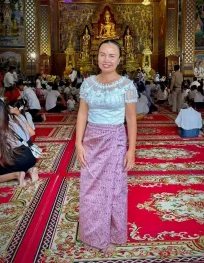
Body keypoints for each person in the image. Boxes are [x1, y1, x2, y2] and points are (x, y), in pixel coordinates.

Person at [76, 39, 137, 255]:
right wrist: (78, 143)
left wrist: (131, 150)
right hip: (91, 140)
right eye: (103, 54)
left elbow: (131, 119)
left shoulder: (127, 86)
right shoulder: (88, 83)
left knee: (113, 189)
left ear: (119, 59)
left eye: (112, 55)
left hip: (115, 140)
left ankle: (111, 234)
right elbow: (82, 113)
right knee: (90, 189)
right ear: (97, 57)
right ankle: (93, 233)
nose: (106, 59)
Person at [0, 98, 38, 187]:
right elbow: (32, 133)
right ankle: (31, 170)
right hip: (31, 156)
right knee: (22, 163)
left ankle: (17, 175)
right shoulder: (16, 117)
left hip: (17, 158)